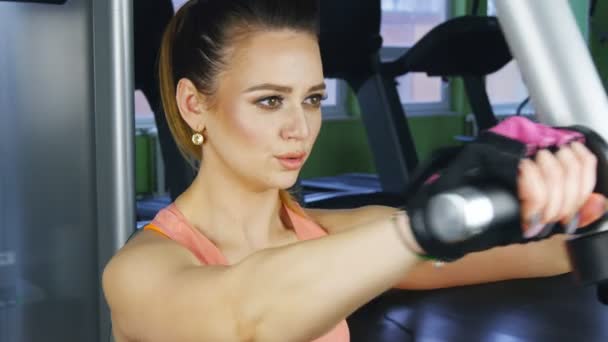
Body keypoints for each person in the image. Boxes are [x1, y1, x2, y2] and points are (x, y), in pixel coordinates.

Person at [102, 1, 606, 341]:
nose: (299, 127)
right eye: (271, 100)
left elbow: (541, 253)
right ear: (193, 104)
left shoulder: (331, 234)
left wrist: (575, 203)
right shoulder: (138, 272)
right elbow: (244, 317)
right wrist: (432, 222)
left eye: (314, 99)